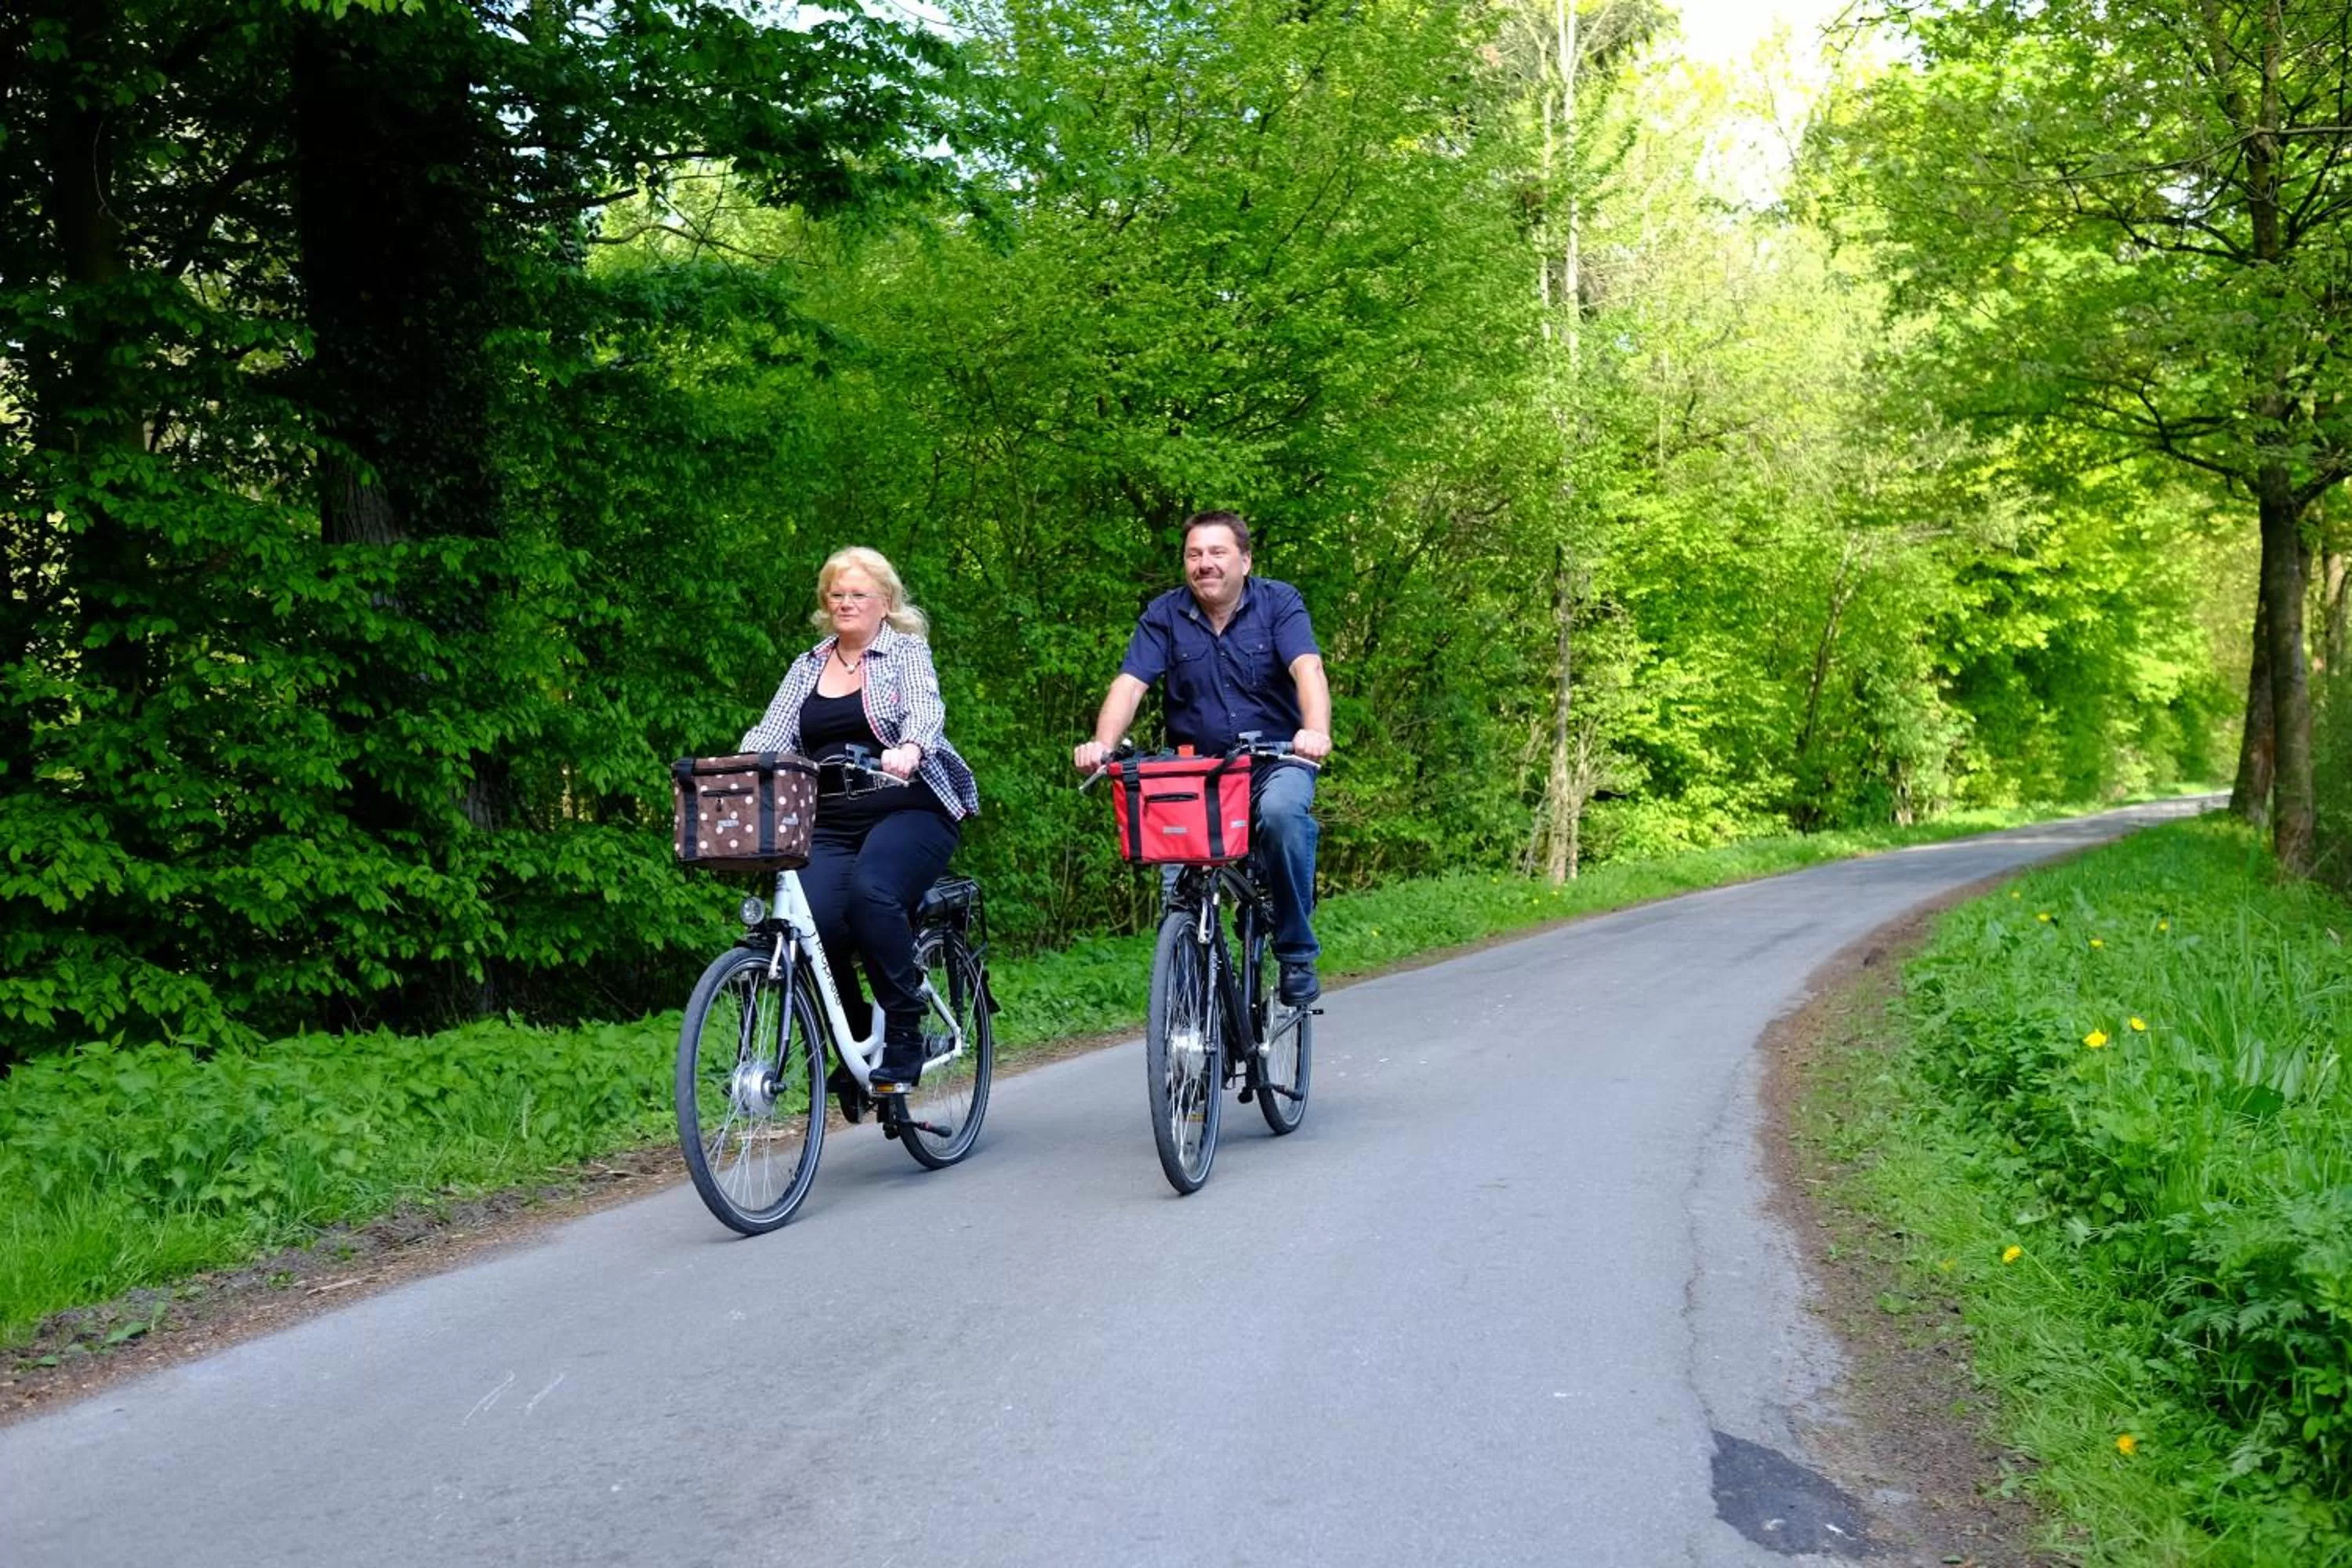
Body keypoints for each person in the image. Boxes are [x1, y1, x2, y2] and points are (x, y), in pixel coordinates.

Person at [740, 546, 980, 1094]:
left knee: (872, 893)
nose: (846, 603)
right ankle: (854, 1039)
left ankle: (903, 1028)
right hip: (829, 820)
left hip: (909, 804)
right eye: (837, 594)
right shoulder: (807, 665)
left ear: (885, 602)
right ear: (827, 602)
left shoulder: (904, 652)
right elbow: (771, 733)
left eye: (859, 594)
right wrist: (740, 765)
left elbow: (926, 708)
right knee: (810, 926)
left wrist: (911, 746)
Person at [1073, 510, 1332, 1003]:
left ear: (1245, 560)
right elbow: (1130, 685)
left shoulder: (1279, 603)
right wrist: (1103, 744)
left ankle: (1295, 951)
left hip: (1274, 761)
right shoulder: (1164, 615)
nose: (1205, 564)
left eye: (1217, 553)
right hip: (1198, 771)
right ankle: (1188, 1010)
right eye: (1194, 555)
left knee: (1281, 816)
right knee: (1181, 894)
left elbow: (1308, 668)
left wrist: (1314, 732)